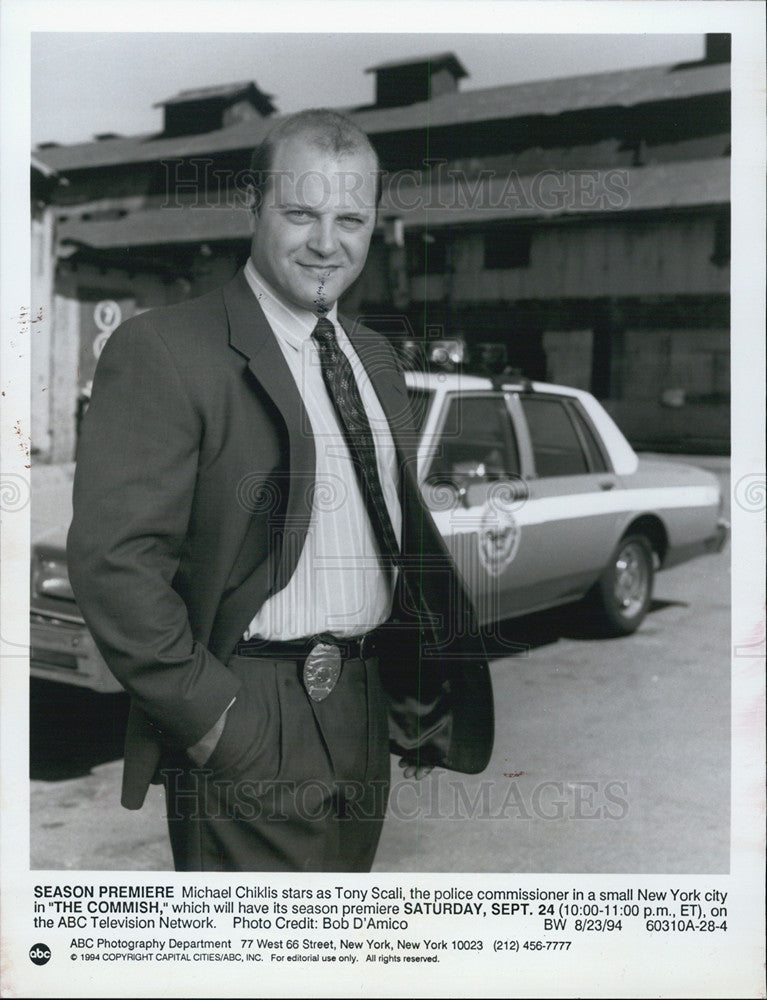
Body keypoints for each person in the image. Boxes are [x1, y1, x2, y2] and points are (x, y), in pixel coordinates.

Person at [67, 108, 494, 873]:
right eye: (300, 213)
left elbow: (390, 538)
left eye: (349, 219)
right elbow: (115, 561)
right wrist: (210, 719)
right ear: (253, 208)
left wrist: (409, 698)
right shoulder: (164, 348)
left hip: (362, 707)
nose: (326, 244)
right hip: (247, 707)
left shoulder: (372, 357)